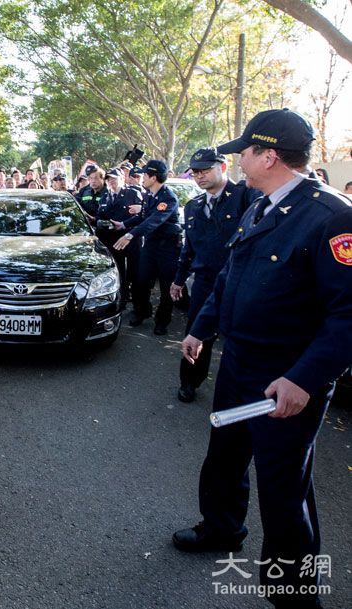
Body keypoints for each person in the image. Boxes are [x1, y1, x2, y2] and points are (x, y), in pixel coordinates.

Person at [174, 109, 352, 609]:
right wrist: (202, 328)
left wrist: (305, 379)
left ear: (269, 155)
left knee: (282, 487)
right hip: (240, 360)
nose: (239, 160)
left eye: (245, 152)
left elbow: (348, 316)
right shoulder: (261, 205)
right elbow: (231, 274)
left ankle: (294, 594)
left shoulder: (332, 217)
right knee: (224, 458)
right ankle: (221, 528)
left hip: (287, 379)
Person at [170, 147, 258, 403]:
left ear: (222, 167)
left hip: (239, 281)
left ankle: (241, 392)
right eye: (196, 172)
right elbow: (189, 247)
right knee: (197, 333)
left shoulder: (245, 195)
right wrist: (178, 279)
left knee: (239, 338)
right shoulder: (194, 206)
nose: (199, 176)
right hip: (206, 281)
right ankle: (189, 382)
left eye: (205, 170)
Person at [112, 159, 182, 335]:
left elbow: (154, 220)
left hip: (168, 248)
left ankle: (162, 321)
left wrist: (131, 234)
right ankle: (142, 311)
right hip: (151, 246)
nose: (141, 177)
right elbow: (143, 216)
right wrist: (123, 224)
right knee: (141, 281)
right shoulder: (150, 195)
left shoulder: (168, 198)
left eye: (144, 174)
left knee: (166, 287)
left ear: (154, 177)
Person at [96, 168, 140, 305]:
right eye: (109, 179)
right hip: (113, 239)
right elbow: (101, 215)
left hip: (131, 237)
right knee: (118, 270)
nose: (111, 182)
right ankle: (123, 296)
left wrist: (126, 227)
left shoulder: (133, 193)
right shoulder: (105, 196)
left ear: (122, 178)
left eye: (114, 179)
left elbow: (140, 216)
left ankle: (137, 300)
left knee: (135, 270)